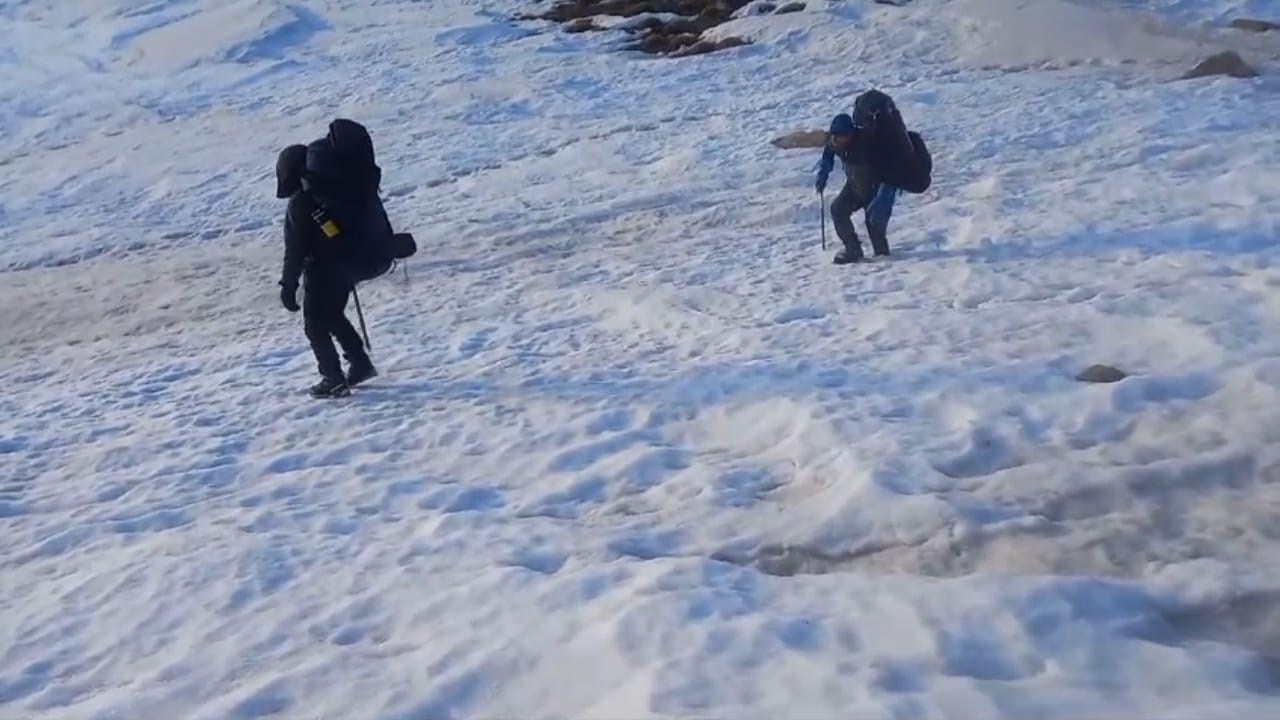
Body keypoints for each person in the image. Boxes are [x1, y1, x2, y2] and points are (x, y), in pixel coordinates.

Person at [275, 141, 377, 399]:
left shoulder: (301, 204)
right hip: (346, 264)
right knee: (332, 315)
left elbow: (295, 249)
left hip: (321, 270)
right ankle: (360, 364)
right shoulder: (330, 195)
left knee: (314, 325)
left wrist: (289, 285)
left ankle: (332, 378)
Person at [815, 89, 924, 265]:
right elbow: (828, 156)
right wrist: (823, 175)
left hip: (876, 189)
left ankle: (884, 261)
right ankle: (853, 250)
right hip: (855, 186)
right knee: (838, 210)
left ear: (850, 133)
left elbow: (889, 164)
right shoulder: (835, 142)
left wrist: (885, 193)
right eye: (834, 135)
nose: (836, 140)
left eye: (840, 136)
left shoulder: (867, 142)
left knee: (874, 225)